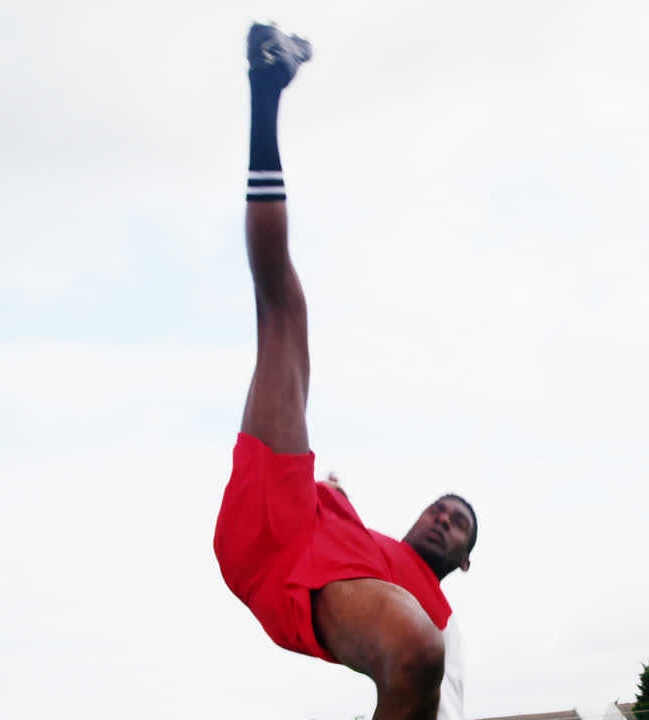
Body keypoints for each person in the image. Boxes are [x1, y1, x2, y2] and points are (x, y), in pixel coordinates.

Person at [212, 22, 477, 720]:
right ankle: (266, 85)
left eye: (457, 524)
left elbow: (441, 695)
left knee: (417, 649)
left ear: (464, 560)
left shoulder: (434, 607)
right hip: (276, 520)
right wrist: (331, 494)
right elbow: (337, 518)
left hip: (307, 591)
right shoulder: (365, 535)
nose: (442, 518)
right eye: (440, 508)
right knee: (284, 310)